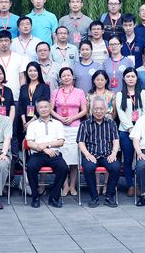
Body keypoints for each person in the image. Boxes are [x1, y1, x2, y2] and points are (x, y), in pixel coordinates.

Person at [25, 98, 69, 208]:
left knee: (63, 167)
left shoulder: (58, 124)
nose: (44, 109)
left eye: (46, 107)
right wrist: (44, 149)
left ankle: (54, 197)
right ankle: (35, 197)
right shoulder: (32, 125)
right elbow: (29, 143)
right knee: (30, 167)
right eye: (41, 107)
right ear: (37, 110)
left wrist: (47, 145)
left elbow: (61, 142)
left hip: (54, 154)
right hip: (37, 154)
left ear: (50, 108)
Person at [78, 97, 121, 207]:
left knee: (116, 166)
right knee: (88, 168)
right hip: (91, 154)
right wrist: (87, 154)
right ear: (91, 109)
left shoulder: (111, 123)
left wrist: (114, 153)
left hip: (107, 155)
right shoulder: (84, 124)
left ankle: (109, 196)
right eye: (96, 109)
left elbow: (116, 141)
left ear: (105, 109)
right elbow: (81, 142)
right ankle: (94, 197)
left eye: (101, 109)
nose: (98, 111)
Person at [53, 67, 88, 196]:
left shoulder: (79, 92)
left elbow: (84, 110)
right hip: (60, 127)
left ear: (73, 77)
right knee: (62, 158)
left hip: (75, 127)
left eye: (68, 75)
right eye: (63, 75)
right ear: (60, 78)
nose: (66, 77)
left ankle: (73, 185)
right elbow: (50, 109)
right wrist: (60, 118)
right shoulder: (56, 92)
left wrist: (72, 118)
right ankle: (65, 186)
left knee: (74, 158)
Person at [115, 67, 145, 197]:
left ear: (137, 78)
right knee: (128, 159)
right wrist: (130, 128)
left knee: (140, 159)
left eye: (133, 76)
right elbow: (121, 113)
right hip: (125, 131)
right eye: (128, 76)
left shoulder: (143, 93)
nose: (130, 79)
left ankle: (139, 185)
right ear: (124, 79)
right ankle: (130, 185)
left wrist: (138, 128)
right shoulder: (119, 94)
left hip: (141, 131)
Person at [17, 62, 51, 158]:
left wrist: (31, 122)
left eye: (35, 70)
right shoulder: (23, 87)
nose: (32, 73)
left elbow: (44, 105)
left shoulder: (45, 87)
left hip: (39, 119)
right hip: (24, 121)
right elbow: (21, 105)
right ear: (27, 73)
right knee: (26, 144)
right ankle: (26, 165)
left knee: (37, 143)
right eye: (30, 71)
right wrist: (24, 122)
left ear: (39, 72)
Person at [0, 30, 27, 101]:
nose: (4, 43)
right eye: (1, 41)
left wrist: (22, 93)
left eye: (6, 40)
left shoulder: (19, 58)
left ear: (11, 42)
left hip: (16, 97)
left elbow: (22, 77)